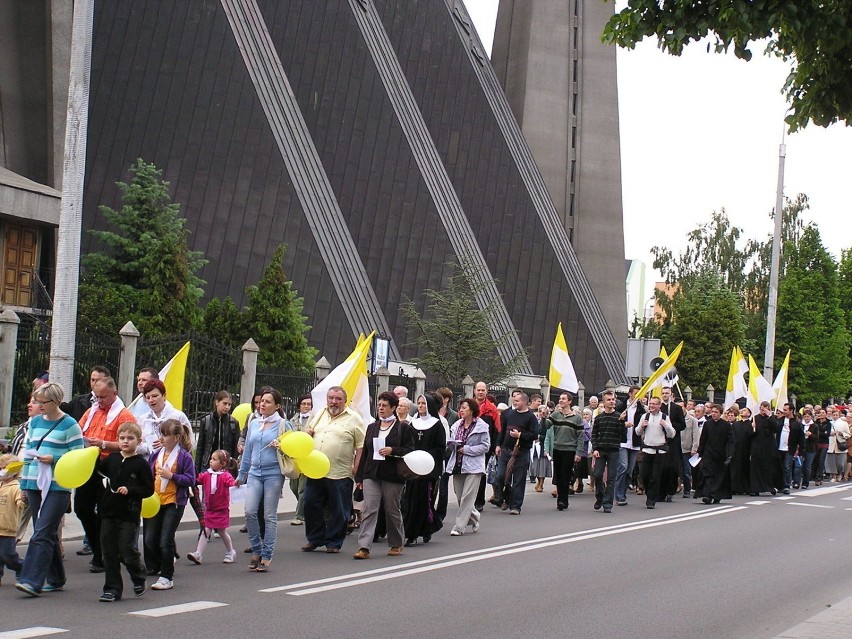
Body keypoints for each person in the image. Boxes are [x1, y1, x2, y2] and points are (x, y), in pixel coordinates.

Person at [16, 382, 84, 596]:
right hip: (34, 482)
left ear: (55, 402)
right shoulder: (35, 423)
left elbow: (77, 457)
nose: (38, 405)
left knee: (42, 531)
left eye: (42, 401)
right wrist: (23, 484)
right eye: (36, 400)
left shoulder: (70, 424)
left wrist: (53, 459)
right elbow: (27, 452)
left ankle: (31, 579)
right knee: (47, 532)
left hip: (57, 486)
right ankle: (56, 578)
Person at [76, 376, 137, 574]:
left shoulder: (124, 415)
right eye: (97, 397)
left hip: (111, 467)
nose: (99, 401)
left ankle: (101, 555)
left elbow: (129, 443)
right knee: (81, 507)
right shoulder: (91, 411)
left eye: (103, 397)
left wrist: (103, 444)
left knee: (104, 512)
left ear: (114, 393)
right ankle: (99, 548)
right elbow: (79, 430)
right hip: (88, 464)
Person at [302, 386, 365, 554]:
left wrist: (357, 468)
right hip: (315, 469)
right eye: (331, 398)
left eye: (338, 399)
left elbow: (361, 446)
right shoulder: (319, 415)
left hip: (340, 471)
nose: (333, 402)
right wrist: (307, 434)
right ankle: (315, 538)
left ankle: (333, 541)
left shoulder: (354, 419)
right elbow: (306, 436)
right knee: (309, 503)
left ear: (345, 401)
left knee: (339, 508)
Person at [97, 422, 155, 602]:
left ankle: (138, 574)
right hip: (108, 513)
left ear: (138, 441)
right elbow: (98, 475)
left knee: (126, 550)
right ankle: (112, 588)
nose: (125, 441)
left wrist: (130, 490)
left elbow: (148, 489)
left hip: (129, 514)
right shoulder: (111, 459)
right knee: (108, 552)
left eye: (130, 438)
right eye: (122, 438)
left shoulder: (141, 465)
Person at [353, 392, 414, 559]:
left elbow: (410, 450)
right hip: (372, 473)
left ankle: (396, 543)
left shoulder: (403, 428)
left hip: (393, 475)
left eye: (384, 405)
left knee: (391, 509)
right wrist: (360, 478)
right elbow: (365, 452)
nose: (380, 408)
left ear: (393, 408)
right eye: (379, 405)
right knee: (369, 509)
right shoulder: (372, 427)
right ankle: (364, 546)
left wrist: (392, 450)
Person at [236, 388, 290, 572]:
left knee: (269, 515)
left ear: (277, 406)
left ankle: (266, 554)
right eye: (261, 402)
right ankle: (256, 549)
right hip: (254, 473)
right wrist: (241, 474)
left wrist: (281, 446)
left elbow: (294, 449)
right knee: (250, 512)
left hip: (273, 473)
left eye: (267, 402)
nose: (262, 405)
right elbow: (248, 452)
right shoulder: (254, 423)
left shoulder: (283, 424)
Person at [144, 419, 195, 590]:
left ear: (177, 438)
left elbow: (190, 479)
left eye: (166, 435)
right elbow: (150, 476)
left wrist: (171, 476)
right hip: (156, 501)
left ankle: (167, 576)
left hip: (174, 502)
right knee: (150, 539)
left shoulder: (184, 457)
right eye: (161, 434)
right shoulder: (156, 454)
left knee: (165, 540)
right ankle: (163, 562)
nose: (162, 438)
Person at [402, 393, 446, 546]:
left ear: (430, 406)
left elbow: (441, 448)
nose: (420, 406)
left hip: (428, 470)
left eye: (423, 404)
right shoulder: (413, 424)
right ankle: (425, 528)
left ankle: (414, 534)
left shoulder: (436, 424)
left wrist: (426, 458)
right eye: (419, 403)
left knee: (423, 502)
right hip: (413, 468)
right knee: (410, 501)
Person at [446, 398, 490, 535]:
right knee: (460, 497)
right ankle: (474, 517)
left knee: (467, 498)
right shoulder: (457, 425)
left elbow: (485, 446)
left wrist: (467, 449)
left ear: (471, 410)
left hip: (474, 467)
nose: (461, 410)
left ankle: (459, 527)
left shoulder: (481, 426)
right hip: (458, 464)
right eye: (460, 408)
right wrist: (451, 444)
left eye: (464, 408)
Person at [492, 391, 538, 515]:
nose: (514, 402)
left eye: (517, 401)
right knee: (500, 477)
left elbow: (534, 435)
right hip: (506, 451)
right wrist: (498, 445)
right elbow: (502, 431)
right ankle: (507, 498)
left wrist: (520, 435)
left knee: (518, 480)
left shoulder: (531, 417)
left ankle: (516, 506)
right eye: (514, 400)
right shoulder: (509, 414)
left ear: (524, 401)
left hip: (521, 452)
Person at [188, 450, 237, 565]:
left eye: (214, 459)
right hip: (209, 509)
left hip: (221, 510)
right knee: (206, 530)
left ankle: (231, 551)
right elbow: (197, 479)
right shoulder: (207, 474)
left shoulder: (225, 476)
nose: (211, 461)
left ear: (223, 464)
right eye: (211, 458)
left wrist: (237, 483)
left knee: (222, 532)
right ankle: (198, 554)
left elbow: (232, 483)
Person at [544, 393, 584, 511]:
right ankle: (560, 499)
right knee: (558, 475)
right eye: (560, 398)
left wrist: (578, 452)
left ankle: (563, 500)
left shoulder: (577, 418)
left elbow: (580, 437)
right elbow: (546, 426)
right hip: (557, 448)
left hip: (570, 450)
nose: (561, 401)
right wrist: (544, 416)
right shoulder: (556, 415)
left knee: (565, 475)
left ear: (569, 401)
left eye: (563, 399)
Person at [635, 397, 676, 509]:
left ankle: (651, 500)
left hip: (660, 451)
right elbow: (637, 432)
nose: (652, 406)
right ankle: (649, 493)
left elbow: (672, 434)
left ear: (659, 406)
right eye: (650, 404)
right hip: (647, 450)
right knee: (644, 474)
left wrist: (665, 426)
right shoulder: (645, 416)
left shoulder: (664, 417)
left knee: (655, 476)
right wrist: (642, 426)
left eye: (654, 404)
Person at [137, 380, 193, 459]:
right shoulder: (143, 420)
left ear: (164, 395)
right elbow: (135, 444)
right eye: (148, 397)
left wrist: (168, 444)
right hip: (147, 465)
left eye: (155, 396)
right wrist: (148, 447)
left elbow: (190, 442)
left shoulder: (178, 416)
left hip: (172, 464)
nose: (151, 400)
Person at [591, 390, 625, 513]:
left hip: (614, 450)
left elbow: (623, 436)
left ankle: (607, 503)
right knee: (598, 474)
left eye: (613, 400)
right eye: (609, 400)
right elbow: (593, 434)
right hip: (600, 450)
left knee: (611, 478)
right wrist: (595, 449)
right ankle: (599, 496)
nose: (612, 402)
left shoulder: (618, 416)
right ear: (604, 402)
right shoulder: (599, 418)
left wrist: (622, 422)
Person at [697, 404, 735, 504]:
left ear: (720, 414)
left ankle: (717, 495)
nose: (713, 414)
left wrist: (730, 454)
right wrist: (700, 452)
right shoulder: (707, 424)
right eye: (712, 412)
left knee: (718, 477)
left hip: (720, 455)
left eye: (716, 412)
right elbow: (703, 439)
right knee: (708, 475)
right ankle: (708, 496)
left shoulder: (726, 425)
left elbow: (731, 441)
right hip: (708, 454)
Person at [196, 391, 239, 478]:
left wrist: (233, 465)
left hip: (226, 465)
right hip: (208, 464)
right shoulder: (206, 421)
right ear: (217, 402)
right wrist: (197, 468)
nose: (227, 407)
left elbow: (235, 447)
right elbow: (201, 447)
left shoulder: (233, 423)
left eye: (229, 405)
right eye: (224, 403)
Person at [473, 382, 501, 512]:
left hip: (485, 447)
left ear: (486, 391)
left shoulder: (492, 409)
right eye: (478, 390)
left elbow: (497, 429)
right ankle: (468, 500)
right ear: (474, 391)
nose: (480, 392)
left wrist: (495, 446)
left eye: (482, 390)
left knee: (480, 473)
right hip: (469, 446)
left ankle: (479, 501)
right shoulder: (468, 406)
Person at [615, 386, 644, 506]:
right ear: (630, 394)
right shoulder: (621, 407)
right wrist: (622, 422)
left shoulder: (641, 409)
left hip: (635, 443)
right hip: (623, 441)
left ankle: (623, 492)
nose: (637, 396)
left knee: (629, 471)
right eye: (636, 394)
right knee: (623, 466)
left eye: (639, 394)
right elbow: (615, 421)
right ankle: (619, 495)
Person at [0, 454, 25, 588]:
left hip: (8, 528)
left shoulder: (16, 487)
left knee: (8, 555)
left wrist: (23, 500)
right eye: (1, 468)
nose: (2, 471)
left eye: (5, 468)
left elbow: (20, 503)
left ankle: (21, 567)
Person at [288, 394, 313, 526]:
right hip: (294, 457)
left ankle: (299, 515)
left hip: (308, 457)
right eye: (304, 404)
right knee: (293, 486)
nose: (306, 406)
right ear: (299, 405)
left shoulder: (314, 419)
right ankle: (306, 508)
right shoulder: (293, 420)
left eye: (309, 404)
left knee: (302, 488)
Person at [659, 387, 686, 501]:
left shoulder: (676, 408)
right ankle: (660, 492)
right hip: (660, 440)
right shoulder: (658, 408)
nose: (665, 395)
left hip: (673, 441)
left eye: (667, 393)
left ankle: (670, 491)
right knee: (661, 467)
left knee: (672, 467)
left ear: (671, 395)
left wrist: (670, 426)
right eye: (663, 393)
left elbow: (682, 425)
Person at [749, 402, 778, 496]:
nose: (763, 411)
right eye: (761, 409)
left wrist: (769, 416)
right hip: (757, 445)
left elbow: (776, 428)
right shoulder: (755, 418)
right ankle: (756, 488)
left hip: (769, 446)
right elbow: (750, 434)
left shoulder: (772, 418)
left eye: (765, 409)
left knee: (769, 467)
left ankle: (770, 486)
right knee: (756, 467)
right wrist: (752, 428)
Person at [775, 402, 804, 493]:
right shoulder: (780, 421)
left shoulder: (797, 423)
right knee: (779, 467)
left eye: (785, 410)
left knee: (787, 467)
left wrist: (801, 451)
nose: (783, 411)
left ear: (791, 410)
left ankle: (787, 485)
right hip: (779, 447)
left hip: (790, 448)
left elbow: (801, 438)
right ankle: (779, 485)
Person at [730, 406, 753, 494]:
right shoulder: (736, 424)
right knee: (735, 469)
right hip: (736, 449)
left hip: (746, 449)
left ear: (749, 414)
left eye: (745, 410)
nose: (742, 411)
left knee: (745, 468)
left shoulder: (751, 424)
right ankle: (734, 487)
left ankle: (745, 488)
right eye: (742, 410)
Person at [530, 404, 552, 492]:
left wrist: (540, 437)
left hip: (543, 446)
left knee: (542, 466)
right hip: (535, 446)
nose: (540, 413)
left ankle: (541, 483)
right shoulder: (534, 420)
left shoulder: (548, 421)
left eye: (543, 412)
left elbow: (546, 432)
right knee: (535, 466)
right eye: (539, 411)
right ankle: (538, 480)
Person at [827, 409, 850, 483]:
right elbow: (825, 432)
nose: (835, 416)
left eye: (836, 415)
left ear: (839, 415)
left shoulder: (844, 423)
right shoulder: (829, 423)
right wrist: (829, 434)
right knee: (832, 461)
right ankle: (834, 475)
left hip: (840, 443)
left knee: (840, 462)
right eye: (834, 415)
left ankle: (840, 473)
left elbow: (848, 434)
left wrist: (842, 434)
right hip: (831, 443)